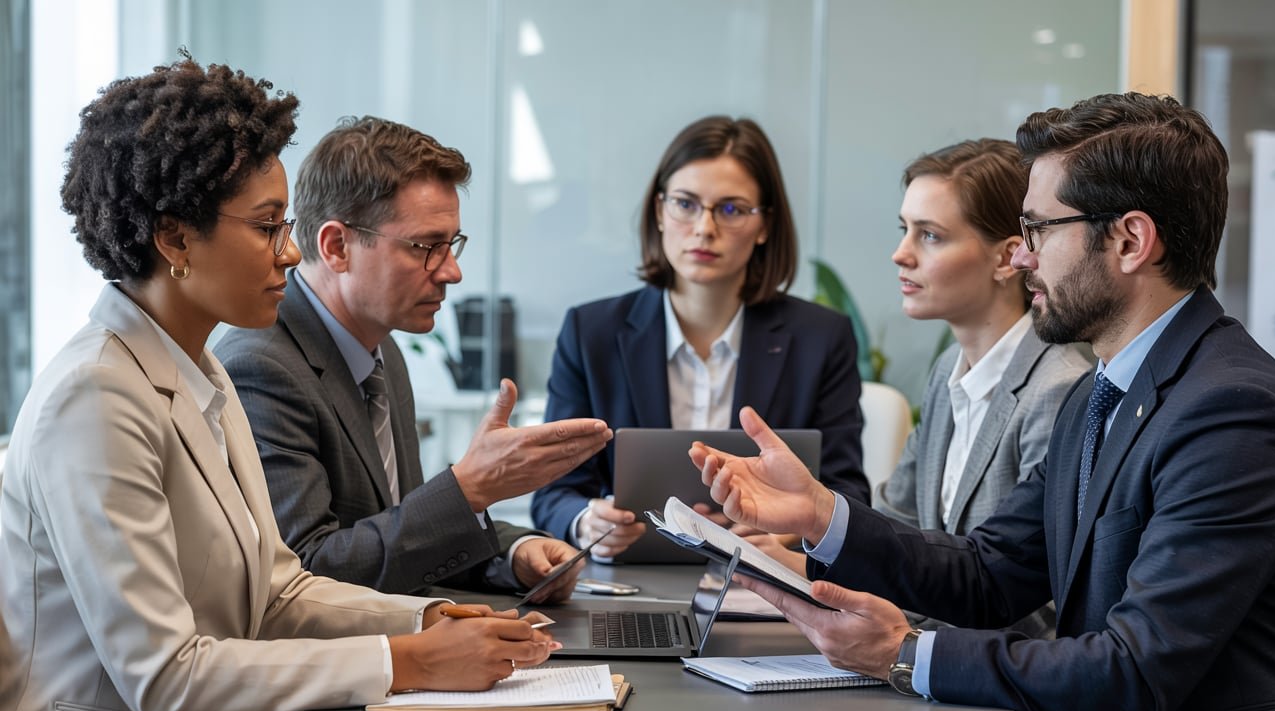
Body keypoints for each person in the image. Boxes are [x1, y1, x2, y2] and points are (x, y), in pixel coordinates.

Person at [691, 92, 1275, 711]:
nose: (1021, 256)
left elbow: (1134, 674)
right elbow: (988, 574)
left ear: (1130, 241)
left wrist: (904, 656)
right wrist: (821, 514)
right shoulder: (1102, 391)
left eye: (1039, 229)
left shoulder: (1232, 413)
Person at [0, 58, 555, 711]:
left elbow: (277, 590)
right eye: (268, 228)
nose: (290, 255)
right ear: (174, 237)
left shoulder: (201, 369)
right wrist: (407, 660)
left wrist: (429, 618)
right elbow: (165, 678)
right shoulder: (92, 398)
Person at [215, 117, 611, 601]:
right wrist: (468, 489)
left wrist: (515, 552)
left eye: (453, 244)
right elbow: (309, 575)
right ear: (337, 247)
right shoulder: (262, 367)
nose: (452, 271)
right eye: (427, 247)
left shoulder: (382, 350)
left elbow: (401, 531)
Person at [749, 139, 1089, 639]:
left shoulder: (1058, 390)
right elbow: (895, 524)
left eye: (929, 235)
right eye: (904, 230)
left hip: (993, 698)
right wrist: (797, 557)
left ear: (1008, 258)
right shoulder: (950, 369)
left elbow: (1036, 606)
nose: (900, 254)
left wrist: (899, 641)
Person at [529, 115, 869, 558]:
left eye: (731, 209)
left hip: (764, 583)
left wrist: (788, 531)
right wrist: (586, 520)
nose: (705, 228)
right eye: (685, 204)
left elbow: (848, 492)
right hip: (628, 580)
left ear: (765, 225)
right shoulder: (591, 333)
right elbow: (555, 493)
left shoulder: (820, 338)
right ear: (659, 211)